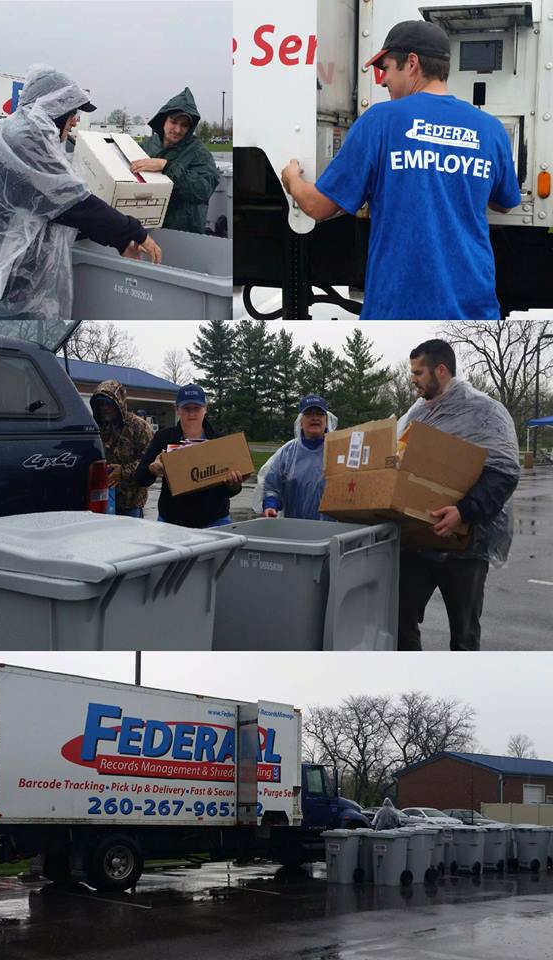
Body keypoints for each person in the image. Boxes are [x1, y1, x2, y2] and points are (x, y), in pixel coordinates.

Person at [279, 20, 521, 320]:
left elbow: (317, 206)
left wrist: (292, 180)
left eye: (386, 68)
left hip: (397, 307)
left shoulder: (380, 121)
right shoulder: (491, 130)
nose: (382, 81)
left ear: (412, 63)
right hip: (474, 308)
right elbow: (506, 202)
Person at [0, 64, 162, 339]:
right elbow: (71, 202)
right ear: (53, 108)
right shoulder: (24, 138)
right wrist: (132, 232)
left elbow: (55, 208)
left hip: (1, 259)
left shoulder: (14, 133)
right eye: (72, 112)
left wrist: (118, 237)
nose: (75, 121)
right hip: (1, 268)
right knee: (6, 333)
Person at [398, 339, 520, 651]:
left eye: (418, 372)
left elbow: (503, 472)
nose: (412, 379)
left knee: (464, 635)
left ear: (441, 370)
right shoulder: (417, 414)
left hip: (468, 542)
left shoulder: (485, 412)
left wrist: (463, 512)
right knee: (400, 621)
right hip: (418, 540)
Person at [135, 384, 244, 528]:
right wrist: (152, 468)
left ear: (205, 409)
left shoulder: (219, 441)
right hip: (171, 521)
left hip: (214, 520)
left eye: (196, 408)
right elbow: (140, 478)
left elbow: (228, 491)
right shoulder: (163, 438)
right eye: (187, 408)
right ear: (177, 409)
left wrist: (234, 485)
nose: (192, 413)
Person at [129, 88, 220, 234]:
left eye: (184, 125)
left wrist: (166, 166)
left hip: (183, 233)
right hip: (146, 229)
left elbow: (202, 190)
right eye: (174, 121)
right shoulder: (147, 145)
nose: (177, 129)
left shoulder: (199, 152)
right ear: (163, 120)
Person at [261, 395, 335, 520]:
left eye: (319, 414)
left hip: (332, 529)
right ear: (300, 420)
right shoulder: (287, 452)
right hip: (295, 528)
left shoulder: (338, 450)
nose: (315, 418)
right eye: (309, 414)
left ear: (326, 419)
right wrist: (270, 505)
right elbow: (272, 486)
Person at [89, 380, 154, 518]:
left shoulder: (139, 427)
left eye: (108, 404)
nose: (104, 408)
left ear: (119, 403)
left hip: (131, 503)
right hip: (101, 500)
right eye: (100, 404)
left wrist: (123, 472)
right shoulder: (95, 428)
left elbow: (149, 462)